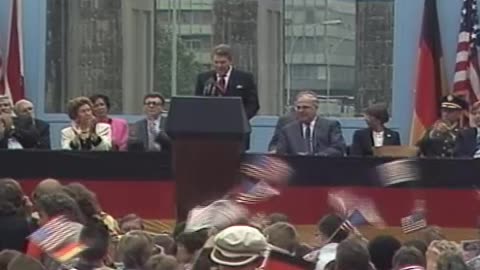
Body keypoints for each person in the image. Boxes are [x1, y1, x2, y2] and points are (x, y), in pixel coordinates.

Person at [195, 44, 259, 120]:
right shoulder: (204, 78)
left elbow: (253, 105)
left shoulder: (245, 78)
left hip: (236, 124)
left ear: (230, 61)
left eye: (223, 62)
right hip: (210, 124)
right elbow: (197, 103)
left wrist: (241, 118)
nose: (219, 66)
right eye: (216, 62)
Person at [276, 91, 346, 156]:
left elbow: (338, 148)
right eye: (298, 108)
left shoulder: (330, 126)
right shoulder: (288, 130)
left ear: (315, 108)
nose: (301, 111)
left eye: (305, 107)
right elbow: (281, 153)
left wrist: (315, 157)